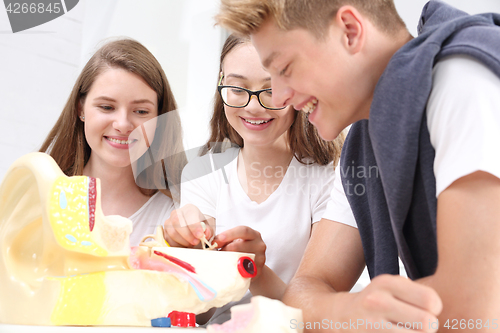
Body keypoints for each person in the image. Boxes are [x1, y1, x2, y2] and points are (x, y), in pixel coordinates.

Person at [216, 0, 500, 331]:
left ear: (350, 31)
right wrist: (351, 310)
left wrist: (340, 314)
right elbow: (300, 294)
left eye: (285, 68)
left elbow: (475, 312)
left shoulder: (462, 80)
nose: (278, 98)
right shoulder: (364, 145)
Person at [162, 34, 354, 325]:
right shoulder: (203, 173)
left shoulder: (330, 175)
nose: (253, 107)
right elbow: (198, 313)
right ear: (222, 84)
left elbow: (316, 317)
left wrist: (255, 272)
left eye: (272, 88)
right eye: (238, 88)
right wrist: (185, 254)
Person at [40, 38, 186, 246]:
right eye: (107, 107)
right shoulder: (39, 197)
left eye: (141, 111)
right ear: (80, 109)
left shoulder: (177, 214)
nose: (123, 124)